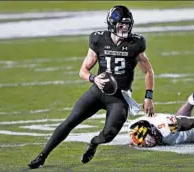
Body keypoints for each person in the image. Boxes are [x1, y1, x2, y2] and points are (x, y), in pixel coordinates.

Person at [28, 5, 155, 169]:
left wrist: (148, 97)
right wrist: (94, 79)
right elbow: (83, 70)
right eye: (120, 25)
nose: (124, 28)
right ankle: (42, 156)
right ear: (111, 24)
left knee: (108, 135)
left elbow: (148, 71)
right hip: (97, 92)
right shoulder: (98, 39)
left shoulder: (135, 43)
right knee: (70, 122)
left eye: (127, 24)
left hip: (119, 97)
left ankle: (94, 143)